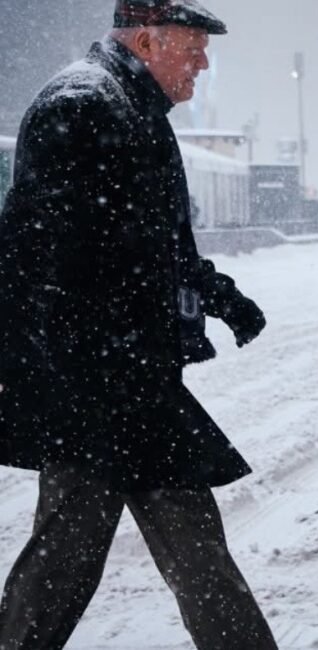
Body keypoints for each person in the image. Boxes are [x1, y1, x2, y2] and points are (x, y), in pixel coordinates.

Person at [0, 1, 276, 647]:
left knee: (172, 554)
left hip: (129, 384)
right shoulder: (81, 105)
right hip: (99, 390)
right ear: (150, 40)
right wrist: (81, 381)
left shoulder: (130, 105)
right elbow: (39, 261)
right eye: (194, 47)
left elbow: (156, 246)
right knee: (78, 560)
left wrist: (221, 296)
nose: (204, 62)